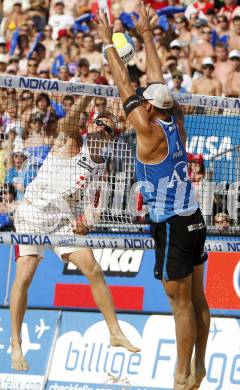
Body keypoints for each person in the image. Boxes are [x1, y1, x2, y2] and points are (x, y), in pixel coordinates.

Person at [97, 3, 210, 389]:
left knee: (181, 306)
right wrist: (146, 35)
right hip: (194, 216)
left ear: (149, 107)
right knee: (198, 300)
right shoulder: (174, 118)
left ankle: (181, 376)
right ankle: (200, 365)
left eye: (146, 100)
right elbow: (156, 83)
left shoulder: (148, 132)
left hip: (172, 225)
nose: (142, 100)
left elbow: (125, 86)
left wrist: (107, 46)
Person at [10, 95, 139, 372]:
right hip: (32, 215)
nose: (101, 129)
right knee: (25, 274)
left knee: (93, 269)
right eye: (98, 124)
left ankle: (115, 332)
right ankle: (16, 342)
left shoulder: (101, 165)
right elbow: (66, 123)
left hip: (62, 221)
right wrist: (84, 97)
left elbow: (96, 202)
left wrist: (88, 222)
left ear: (111, 136)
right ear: (91, 126)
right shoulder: (71, 141)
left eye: (107, 128)